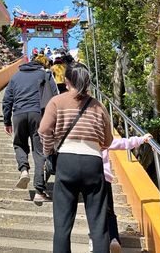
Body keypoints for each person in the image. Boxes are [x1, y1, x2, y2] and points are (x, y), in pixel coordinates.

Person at [38, 63, 113, 253]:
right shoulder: (99, 105)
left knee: (62, 226)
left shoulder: (57, 101)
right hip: (93, 163)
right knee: (99, 225)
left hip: (66, 161)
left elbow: (44, 130)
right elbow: (108, 140)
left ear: (66, 80)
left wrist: (48, 151)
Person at [2, 58, 58, 203]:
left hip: (19, 114)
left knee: (19, 144)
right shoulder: (44, 74)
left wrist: (7, 121)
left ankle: (23, 170)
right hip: (39, 115)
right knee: (39, 151)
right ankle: (39, 191)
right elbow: (55, 96)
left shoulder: (15, 77)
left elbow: (7, 100)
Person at [97, 133, 153, 253]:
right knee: (109, 212)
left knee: (94, 212)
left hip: (89, 178)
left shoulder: (83, 139)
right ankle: (114, 239)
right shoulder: (103, 138)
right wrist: (142, 139)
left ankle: (95, 241)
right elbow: (123, 143)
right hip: (104, 179)